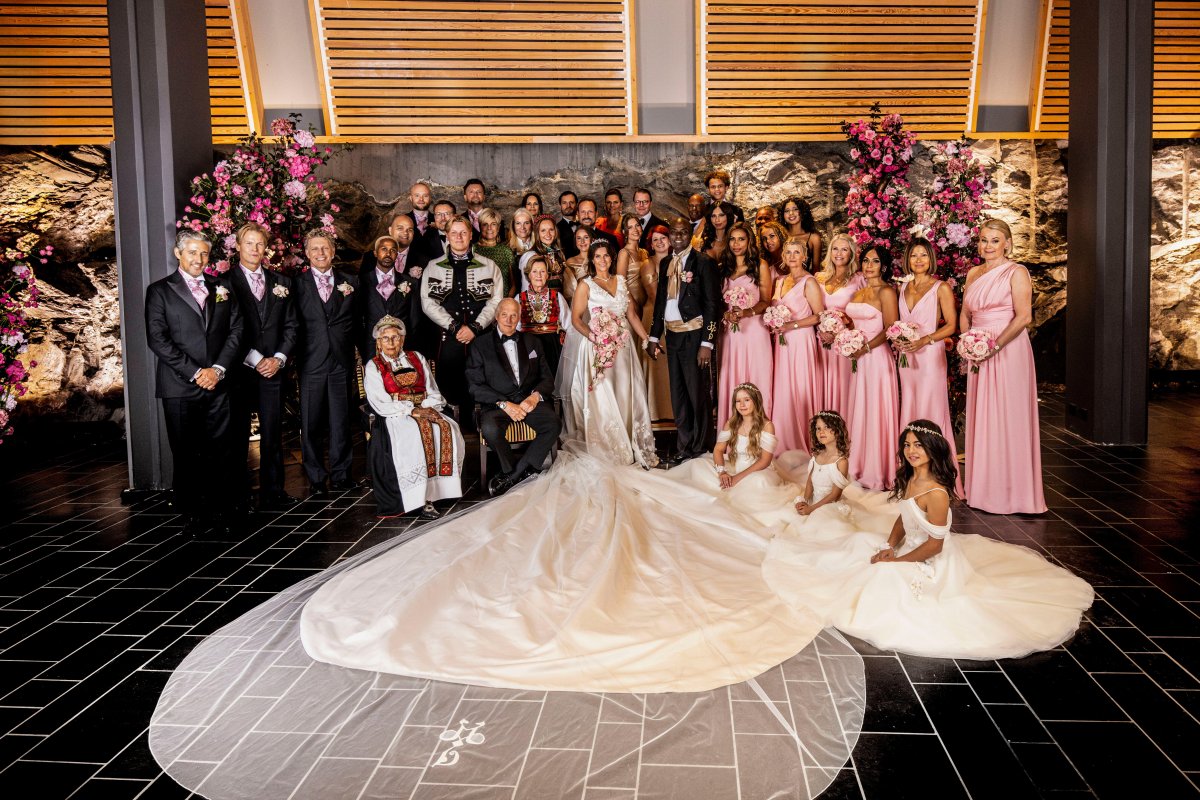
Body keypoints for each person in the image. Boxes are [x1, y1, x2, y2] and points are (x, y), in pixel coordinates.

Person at [762, 421, 1093, 660]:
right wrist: (890, 546)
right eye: (907, 444)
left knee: (884, 577)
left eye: (918, 445)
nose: (911, 451)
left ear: (933, 450)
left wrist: (897, 560)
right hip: (908, 548)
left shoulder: (937, 493)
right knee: (862, 550)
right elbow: (902, 519)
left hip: (931, 561)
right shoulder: (911, 478)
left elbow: (934, 546)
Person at [145, 230, 244, 537]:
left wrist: (217, 369)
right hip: (179, 385)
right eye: (192, 253)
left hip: (218, 383)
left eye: (204, 254)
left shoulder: (222, 286)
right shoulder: (159, 290)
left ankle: (222, 510)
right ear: (178, 254)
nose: (199, 259)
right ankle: (193, 514)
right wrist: (195, 372)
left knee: (221, 450)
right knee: (187, 452)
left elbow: (237, 330)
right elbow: (157, 339)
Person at [961, 219, 1048, 514]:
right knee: (983, 414)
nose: (988, 246)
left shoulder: (1017, 272)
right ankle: (983, 488)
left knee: (1007, 414)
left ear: (1007, 243)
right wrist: (967, 342)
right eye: (984, 240)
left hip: (1007, 348)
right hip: (977, 349)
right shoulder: (974, 273)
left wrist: (994, 346)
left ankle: (1013, 492)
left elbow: (1023, 317)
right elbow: (965, 312)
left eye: (995, 240)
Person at [561, 239, 658, 468]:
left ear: (612, 258)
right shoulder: (586, 285)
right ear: (592, 260)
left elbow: (632, 315)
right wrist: (595, 337)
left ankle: (632, 441)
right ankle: (610, 445)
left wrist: (646, 339)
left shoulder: (621, 282)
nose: (602, 260)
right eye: (597, 256)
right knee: (604, 396)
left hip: (623, 348)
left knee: (625, 392)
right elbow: (576, 319)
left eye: (606, 256)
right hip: (598, 349)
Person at [227, 223, 298, 512]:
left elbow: (292, 325)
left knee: (272, 433)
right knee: (237, 434)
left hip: (274, 369)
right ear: (238, 247)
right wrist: (256, 359)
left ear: (265, 248)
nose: (254, 250)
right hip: (240, 370)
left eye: (259, 244)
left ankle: (274, 492)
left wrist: (278, 358)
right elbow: (224, 330)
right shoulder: (224, 282)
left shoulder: (282, 282)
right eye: (249, 244)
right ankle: (238, 495)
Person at [364, 316, 463, 520]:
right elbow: (378, 400)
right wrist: (411, 410)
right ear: (378, 342)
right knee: (412, 434)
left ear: (402, 339)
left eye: (395, 337)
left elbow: (432, 389)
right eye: (386, 338)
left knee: (445, 427)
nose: (391, 342)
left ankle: (441, 492)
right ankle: (417, 497)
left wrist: (429, 406)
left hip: (424, 406)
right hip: (395, 412)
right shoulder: (374, 366)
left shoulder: (417, 357)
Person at [466, 298, 561, 496]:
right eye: (504, 315)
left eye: (514, 315)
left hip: (528, 402)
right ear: (496, 316)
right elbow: (475, 386)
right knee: (490, 428)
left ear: (519, 317)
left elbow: (547, 379)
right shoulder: (480, 345)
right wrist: (504, 404)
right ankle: (513, 470)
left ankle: (513, 476)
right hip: (497, 405)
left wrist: (534, 397)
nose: (509, 320)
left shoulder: (533, 342)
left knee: (553, 423)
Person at [293, 230, 360, 498]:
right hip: (311, 361)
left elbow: (357, 321)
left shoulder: (351, 281)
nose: (321, 253)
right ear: (307, 254)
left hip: (341, 360)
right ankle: (317, 476)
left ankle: (342, 475)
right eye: (315, 249)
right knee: (311, 422)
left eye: (325, 249)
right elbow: (293, 323)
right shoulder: (296, 285)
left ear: (333, 252)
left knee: (341, 420)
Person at [648, 217, 721, 462]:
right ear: (669, 236)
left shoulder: (703, 262)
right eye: (674, 233)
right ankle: (684, 445)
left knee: (696, 392)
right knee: (677, 393)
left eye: (683, 232)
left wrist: (706, 344)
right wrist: (653, 335)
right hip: (673, 335)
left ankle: (700, 446)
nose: (678, 236)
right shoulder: (666, 263)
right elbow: (661, 301)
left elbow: (713, 305)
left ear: (690, 234)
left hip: (694, 335)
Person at [419, 217, 504, 420]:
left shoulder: (489, 266)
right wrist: (455, 326)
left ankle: (483, 425)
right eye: (454, 233)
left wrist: (475, 327)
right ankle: (453, 427)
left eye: (463, 232)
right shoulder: (433, 266)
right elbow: (427, 303)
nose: (459, 237)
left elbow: (496, 301)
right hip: (448, 338)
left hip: (482, 336)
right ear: (447, 236)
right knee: (450, 381)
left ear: (471, 235)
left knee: (484, 378)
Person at [896, 237, 962, 496]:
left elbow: (951, 326)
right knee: (910, 407)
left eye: (923, 255)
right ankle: (910, 476)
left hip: (930, 356)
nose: (919, 260)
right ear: (908, 260)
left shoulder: (941, 288)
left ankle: (939, 476)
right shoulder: (903, 289)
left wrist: (924, 339)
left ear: (931, 259)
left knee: (931, 408)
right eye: (914, 255)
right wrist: (900, 339)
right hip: (907, 359)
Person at [844, 245, 901, 490]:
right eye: (865, 260)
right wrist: (844, 339)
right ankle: (856, 464)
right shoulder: (858, 293)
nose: (869, 265)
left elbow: (890, 328)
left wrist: (865, 348)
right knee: (860, 407)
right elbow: (852, 324)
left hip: (876, 358)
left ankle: (877, 468)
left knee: (876, 408)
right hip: (858, 359)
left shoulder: (886, 292)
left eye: (875, 261)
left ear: (884, 266)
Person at [716, 222, 774, 430]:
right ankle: (733, 435)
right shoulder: (724, 268)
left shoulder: (760, 265)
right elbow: (719, 301)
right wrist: (726, 313)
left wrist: (746, 312)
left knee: (755, 377)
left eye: (741, 239)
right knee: (732, 377)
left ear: (749, 241)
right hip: (731, 335)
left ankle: (759, 435)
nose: (736, 243)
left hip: (754, 331)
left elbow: (766, 300)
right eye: (732, 239)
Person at [770, 237, 825, 453]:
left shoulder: (809, 281)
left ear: (804, 256)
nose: (792, 257)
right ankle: (784, 438)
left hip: (801, 340)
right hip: (782, 344)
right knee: (784, 389)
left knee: (800, 387)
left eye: (796, 252)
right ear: (784, 256)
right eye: (788, 253)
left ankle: (804, 438)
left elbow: (818, 316)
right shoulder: (780, 281)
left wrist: (790, 325)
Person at [817, 232, 865, 413]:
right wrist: (822, 331)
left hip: (846, 344)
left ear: (851, 254)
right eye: (835, 249)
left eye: (844, 250)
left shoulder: (859, 279)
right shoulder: (819, 278)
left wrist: (846, 326)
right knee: (823, 385)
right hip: (822, 343)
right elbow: (814, 310)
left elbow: (868, 310)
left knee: (845, 387)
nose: (839, 253)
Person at [357, 235, 419, 362]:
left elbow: (414, 319)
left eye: (393, 250)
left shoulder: (410, 282)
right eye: (383, 249)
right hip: (371, 347)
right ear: (375, 253)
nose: (388, 254)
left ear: (397, 255)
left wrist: (409, 345)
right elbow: (357, 319)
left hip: (402, 346)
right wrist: (363, 347)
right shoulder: (361, 281)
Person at [639, 224, 675, 424]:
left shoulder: (677, 261)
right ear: (650, 244)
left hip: (675, 317)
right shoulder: (648, 264)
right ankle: (657, 411)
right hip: (655, 315)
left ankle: (673, 409)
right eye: (655, 240)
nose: (660, 242)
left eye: (663, 238)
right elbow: (655, 294)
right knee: (658, 365)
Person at [790, 411, 852, 521]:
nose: (821, 432)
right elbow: (810, 483)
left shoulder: (841, 461)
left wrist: (812, 509)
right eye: (818, 428)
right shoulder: (817, 455)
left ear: (837, 431)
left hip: (828, 506)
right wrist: (805, 501)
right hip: (813, 501)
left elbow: (835, 495)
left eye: (826, 427)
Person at [515, 256, 569, 376]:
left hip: (552, 345)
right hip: (528, 343)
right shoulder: (519, 298)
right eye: (534, 271)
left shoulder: (557, 296)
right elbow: (516, 328)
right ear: (529, 275)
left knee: (552, 376)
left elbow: (568, 325)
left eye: (542, 271)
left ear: (548, 275)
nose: (538, 275)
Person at [518, 214, 567, 293]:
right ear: (537, 233)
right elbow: (526, 287)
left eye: (551, 229)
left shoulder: (559, 253)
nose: (548, 234)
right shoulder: (530, 255)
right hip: (540, 302)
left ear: (556, 231)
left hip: (558, 299)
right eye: (543, 230)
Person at [473, 208, 516, 296]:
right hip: (480, 303)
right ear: (480, 226)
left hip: (504, 303)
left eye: (493, 224)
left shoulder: (506, 251)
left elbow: (514, 284)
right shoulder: (473, 250)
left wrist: (507, 302)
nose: (489, 228)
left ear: (498, 227)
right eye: (485, 224)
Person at [779, 196, 823, 270]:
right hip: (780, 280)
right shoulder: (779, 236)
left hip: (805, 280)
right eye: (786, 211)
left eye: (795, 209)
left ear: (803, 212)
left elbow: (816, 269)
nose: (791, 213)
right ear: (783, 215)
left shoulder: (813, 238)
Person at [616, 213, 649, 312]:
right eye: (630, 227)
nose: (635, 230)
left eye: (637, 225)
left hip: (647, 305)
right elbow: (621, 283)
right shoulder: (624, 253)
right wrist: (633, 305)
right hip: (632, 307)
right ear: (624, 232)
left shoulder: (644, 252)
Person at [561, 224, 593, 303]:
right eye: (579, 238)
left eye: (586, 237)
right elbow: (568, 291)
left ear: (592, 239)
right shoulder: (570, 262)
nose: (582, 241)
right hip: (577, 302)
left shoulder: (599, 259)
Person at [557, 189, 579, 257]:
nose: (568, 206)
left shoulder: (584, 224)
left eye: (571, 202)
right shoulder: (556, 229)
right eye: (564, 203)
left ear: (576, 205)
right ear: (560, 206)